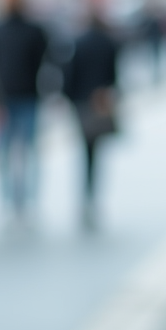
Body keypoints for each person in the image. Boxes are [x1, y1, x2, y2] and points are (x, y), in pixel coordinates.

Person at [0, 0, 49, 216]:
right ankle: (7, 199)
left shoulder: (31, 30)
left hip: (27, 98)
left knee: (29, 151)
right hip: (5, 100)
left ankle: (28, 199)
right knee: (4, 152)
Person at [63, 14, 118, 228]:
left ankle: (85, 196)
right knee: (96, 152)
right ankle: (91, 195)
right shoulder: (109, 43)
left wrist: (69, 98)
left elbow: (69, 73)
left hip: (82, 103)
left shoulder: (79, 43)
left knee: (85, 149)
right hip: (100, 101)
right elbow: (113, 76)